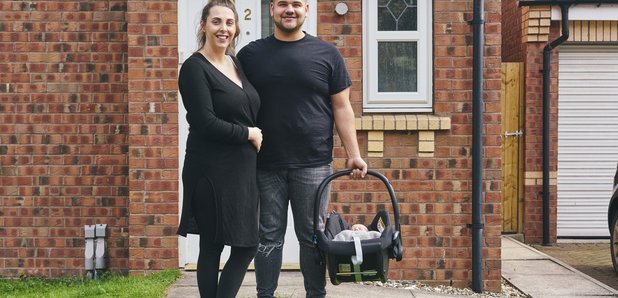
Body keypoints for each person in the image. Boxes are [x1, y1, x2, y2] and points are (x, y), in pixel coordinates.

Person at [237, 0, 368, 296]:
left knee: (312, 236)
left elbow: (342, 107)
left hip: (314, 163)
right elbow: (236, 103)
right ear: (272, 9)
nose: (289, 10)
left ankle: (315, 294)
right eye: (283, 4)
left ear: (307, 9)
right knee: (268, 237)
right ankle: (265, 294)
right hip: (264, 163)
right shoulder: (250, 55)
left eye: (296, 4)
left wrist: (354, 154)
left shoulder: (327, 54)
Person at [176, 1, 262, 297]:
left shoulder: (235, 62)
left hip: (240, 170)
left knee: (246, 243)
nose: (223, 28)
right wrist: (248, 133)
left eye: (229, 22)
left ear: (236, 28)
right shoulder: (193, 68)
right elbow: (205, 122)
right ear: (203, 26)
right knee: (213, 244)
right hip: (210, 169)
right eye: (216, 22)